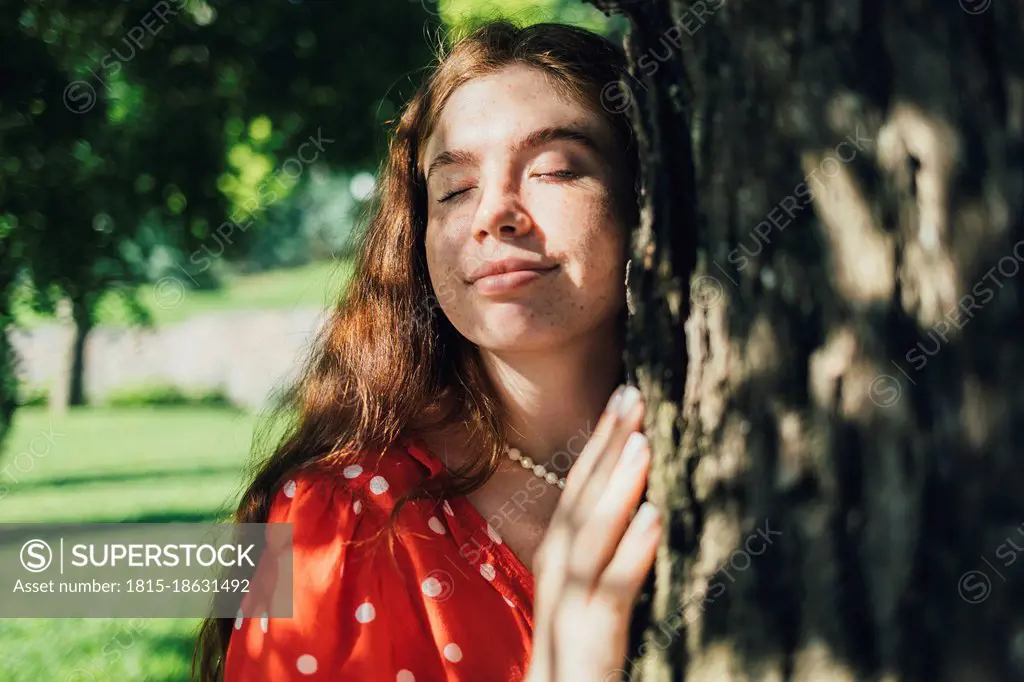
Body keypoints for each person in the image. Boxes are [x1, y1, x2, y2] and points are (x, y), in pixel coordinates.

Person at [193, 19, 662, 682]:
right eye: (455, 189)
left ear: (647, 199)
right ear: (421, 234)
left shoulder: (744, 450)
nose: (494, 212)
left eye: (555, 169)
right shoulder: (330, 522)